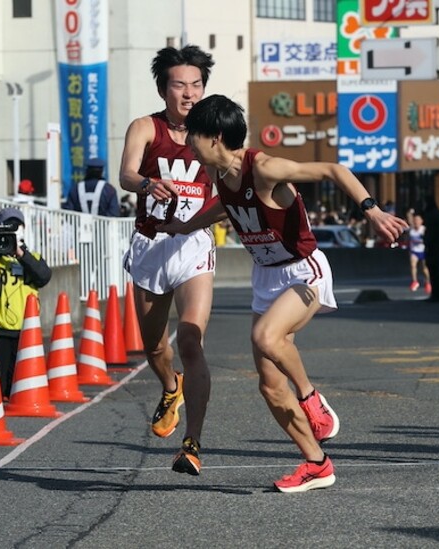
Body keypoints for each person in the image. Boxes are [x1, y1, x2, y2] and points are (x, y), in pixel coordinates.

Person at [160, 95, 408, 492]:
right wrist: (179, 228)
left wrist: (372, 211)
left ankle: (311, 399)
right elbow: (222, 209)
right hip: (267, 279)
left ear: (217, 137)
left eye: (194, 135)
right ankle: (316, 462)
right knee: (270, 386)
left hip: (303, 272)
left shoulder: (263, 167)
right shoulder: (219, 176)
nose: (188, 141)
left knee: (266, 337)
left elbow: (332, 168)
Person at [118, 44, 216, 476]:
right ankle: (169, 385)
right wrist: (145, 185)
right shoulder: (145, 127)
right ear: (163, 89)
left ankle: (192, 444)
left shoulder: (215, 133)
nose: (189, 93)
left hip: (194, 246)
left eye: (196, 85)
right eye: (180, 85)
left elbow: (235, 177)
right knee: (155, 346)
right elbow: (125, 173)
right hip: (151, 245)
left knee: (191, 341)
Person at [0, 207, 52, 398]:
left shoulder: (31, 257)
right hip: (0, 327)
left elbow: (43, 277)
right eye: (8, 226)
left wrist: (20, 253)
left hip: (27, 330)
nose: (12, 230)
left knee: (20, 387)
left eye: (16, 226)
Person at [421, 194, 439, 300]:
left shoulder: (429, 214)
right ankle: (438, 292)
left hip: (431, 244)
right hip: (438, 243)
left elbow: (429, 231)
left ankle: (436, 292)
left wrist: (426, 240)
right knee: (436, 267)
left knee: (432, 268)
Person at [406, 209, 431, 294]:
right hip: (414, 251)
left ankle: (427, 282)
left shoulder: (423, 229)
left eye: (418, 220)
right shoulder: (412, 230)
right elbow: (409, 218)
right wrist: (410, 213)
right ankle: (415, 281)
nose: (416, 222)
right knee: (413, 265)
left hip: (423, 251)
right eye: (415, 220)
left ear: (421, 221)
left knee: (424, 268)